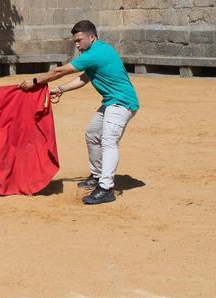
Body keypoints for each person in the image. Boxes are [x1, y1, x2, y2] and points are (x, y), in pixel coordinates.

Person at [18, 20, 139, 206]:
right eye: (75, 41)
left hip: (122, 103)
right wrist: (61, 89)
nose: (77, 44)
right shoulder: (97, 52)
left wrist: (35, 80)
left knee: (108, 140)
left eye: (79, 40)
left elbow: (61, 71)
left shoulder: (95, 53)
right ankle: (97, 176)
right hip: (111, 102)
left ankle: (106, 188)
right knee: (92, 134)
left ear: (92, 37)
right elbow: (84, 78)